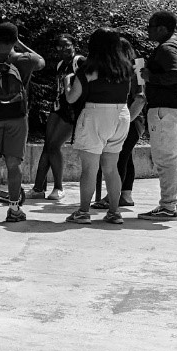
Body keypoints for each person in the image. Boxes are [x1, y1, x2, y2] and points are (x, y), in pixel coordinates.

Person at [65, 28, 141, 224]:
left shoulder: (89, 69)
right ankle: (114, 212)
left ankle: (83, 212)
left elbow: (72, 97)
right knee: (111, 167)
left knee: (89, 169)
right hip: (121, 114)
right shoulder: (127, 69)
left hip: (95, 114)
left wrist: (67, 84)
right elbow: (140, 95)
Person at [0, 22, 45, 222]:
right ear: (15, 39)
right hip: (17, 118)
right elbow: (42, 61)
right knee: (14, 164)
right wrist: (20, 45)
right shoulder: (25, 60)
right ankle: (14, 209)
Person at [139, 10, 177, 220]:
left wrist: (151, 77)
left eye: (150, 26)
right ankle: (176, 204)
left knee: (166, 160)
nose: (148, 30)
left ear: (162, 28)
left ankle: (167, 207)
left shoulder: (167, 48)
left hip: (166, 111)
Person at [30, 35, 82, 201]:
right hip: (57, 107)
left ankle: (59, 188)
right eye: (59, 47)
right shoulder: (61, 65)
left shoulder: (79, 61)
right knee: (47, 146)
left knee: (54, 145)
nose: (63, 49)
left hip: (72, 111)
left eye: (67, 46)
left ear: (74, 45)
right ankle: (38, 188)